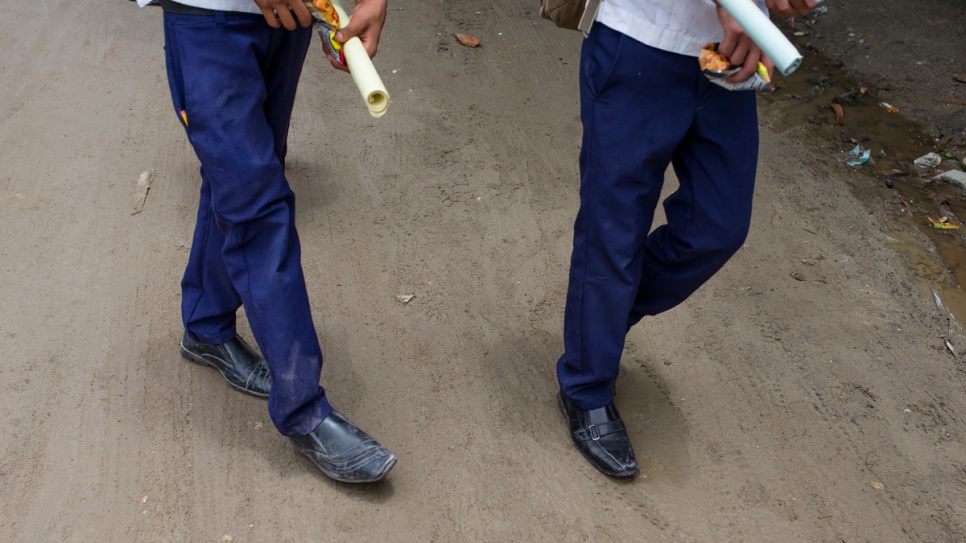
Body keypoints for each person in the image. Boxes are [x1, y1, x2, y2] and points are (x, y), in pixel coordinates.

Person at [554, 0, 823, 477]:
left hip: (725, 50)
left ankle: (597, 324)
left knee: (717, 226)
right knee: (613, 229)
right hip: (639, 38)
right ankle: (586, 385)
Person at [149, 0, 395, 483]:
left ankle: (205, 324)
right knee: (258, 204)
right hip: (206, 17)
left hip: (288, 19)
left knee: (245, 172)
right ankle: (303, 407)